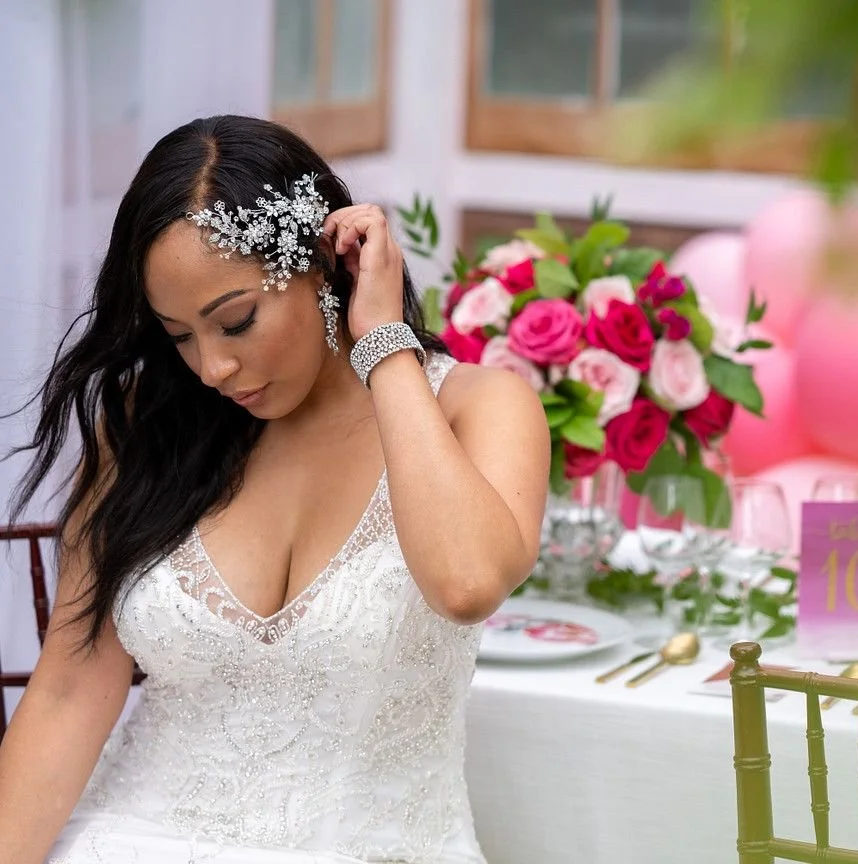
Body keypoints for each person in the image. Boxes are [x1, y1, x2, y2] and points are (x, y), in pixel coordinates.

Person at [0, 114, 549, 864]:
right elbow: (65, 696)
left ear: (324, 267)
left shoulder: (479, 407)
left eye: (236, 321)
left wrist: (383, 342)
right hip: (132, 840)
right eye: (180, 335)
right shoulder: (148, 427)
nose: (211, 369)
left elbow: (466, 581)